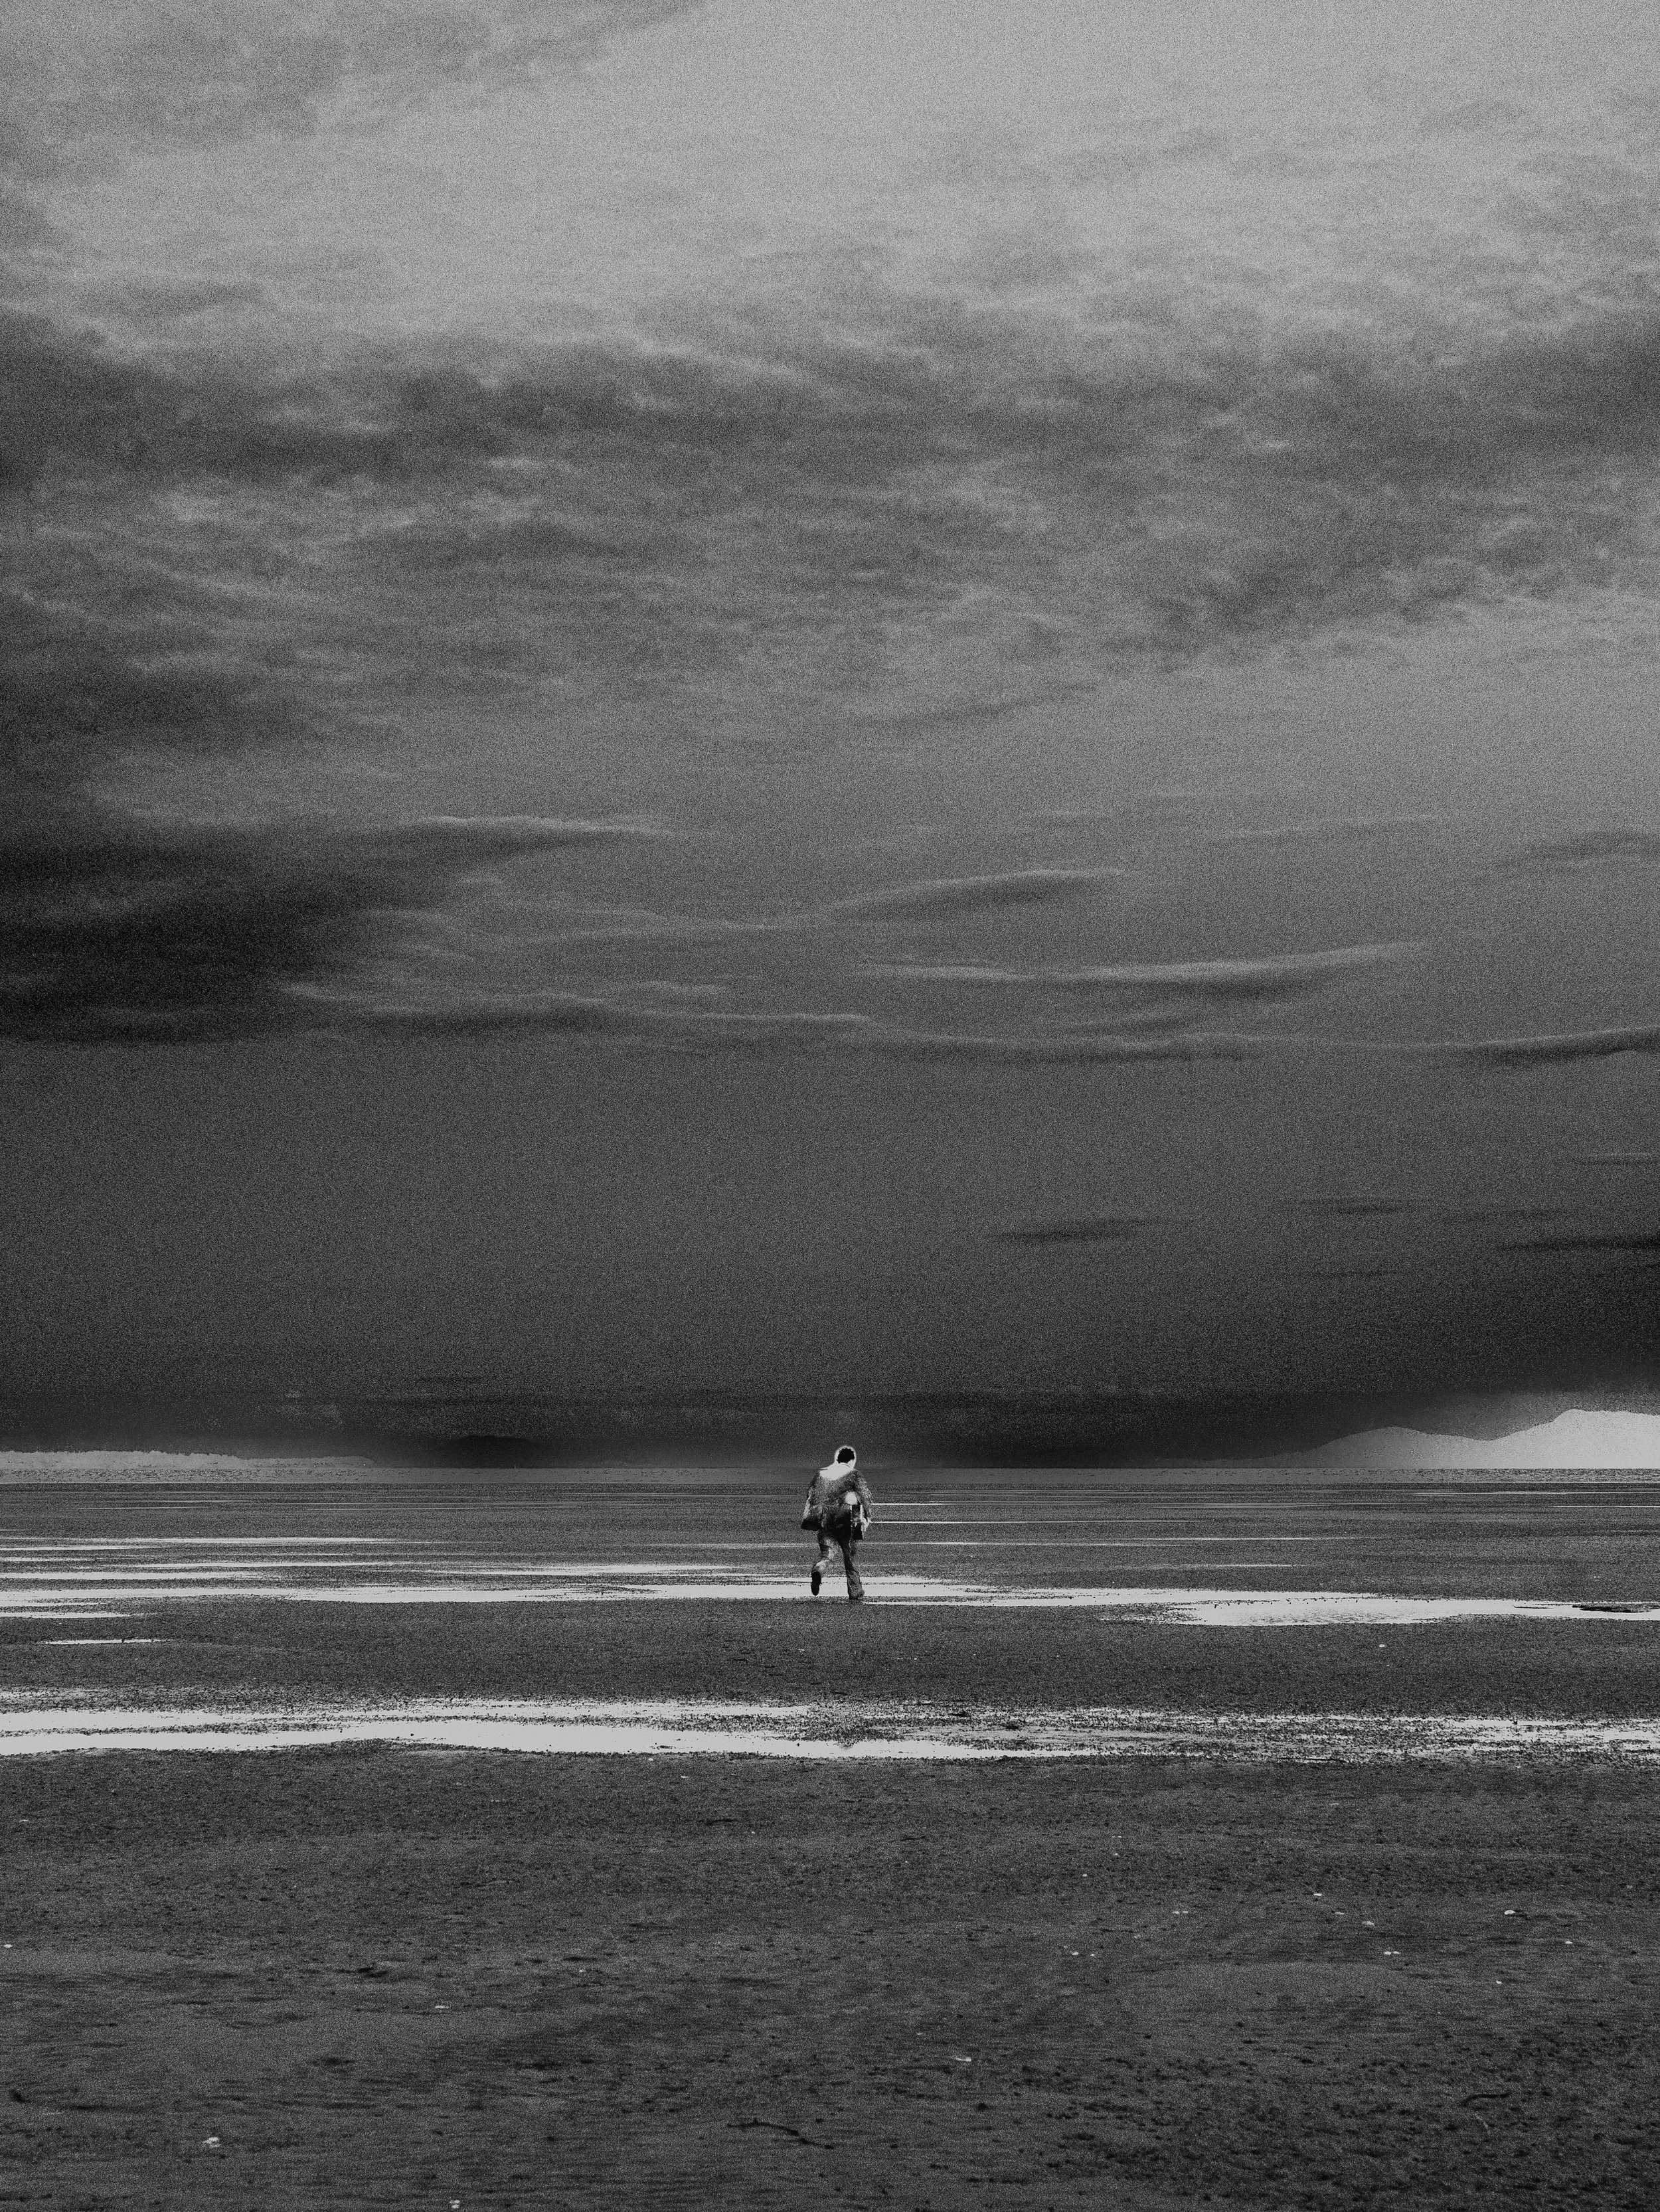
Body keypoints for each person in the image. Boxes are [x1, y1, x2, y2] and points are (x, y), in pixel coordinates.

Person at [801, 1444, 873, 1602]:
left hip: (825, 1519)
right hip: (845, 1520)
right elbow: (864, 1496)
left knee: (827, 1553)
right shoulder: (854, 1475)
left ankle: (819, 1570)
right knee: (849, 1556)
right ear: (851, 1460)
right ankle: (855, 1591)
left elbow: (811, 1495)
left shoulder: (821, 1474)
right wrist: (867, 1516)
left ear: (838, 1459)